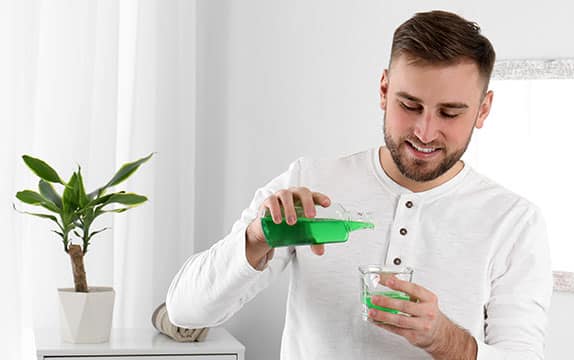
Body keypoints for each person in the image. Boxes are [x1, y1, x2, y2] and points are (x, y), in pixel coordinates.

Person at [166, 10, 552, 360]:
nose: (425, 131)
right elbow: (185, 310)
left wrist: (444, 339)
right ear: (384, 90)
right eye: (409, 105)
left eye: (449, 113)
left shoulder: (514, 221)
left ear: (483, 109)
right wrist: (256, 238)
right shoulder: (310, 182)